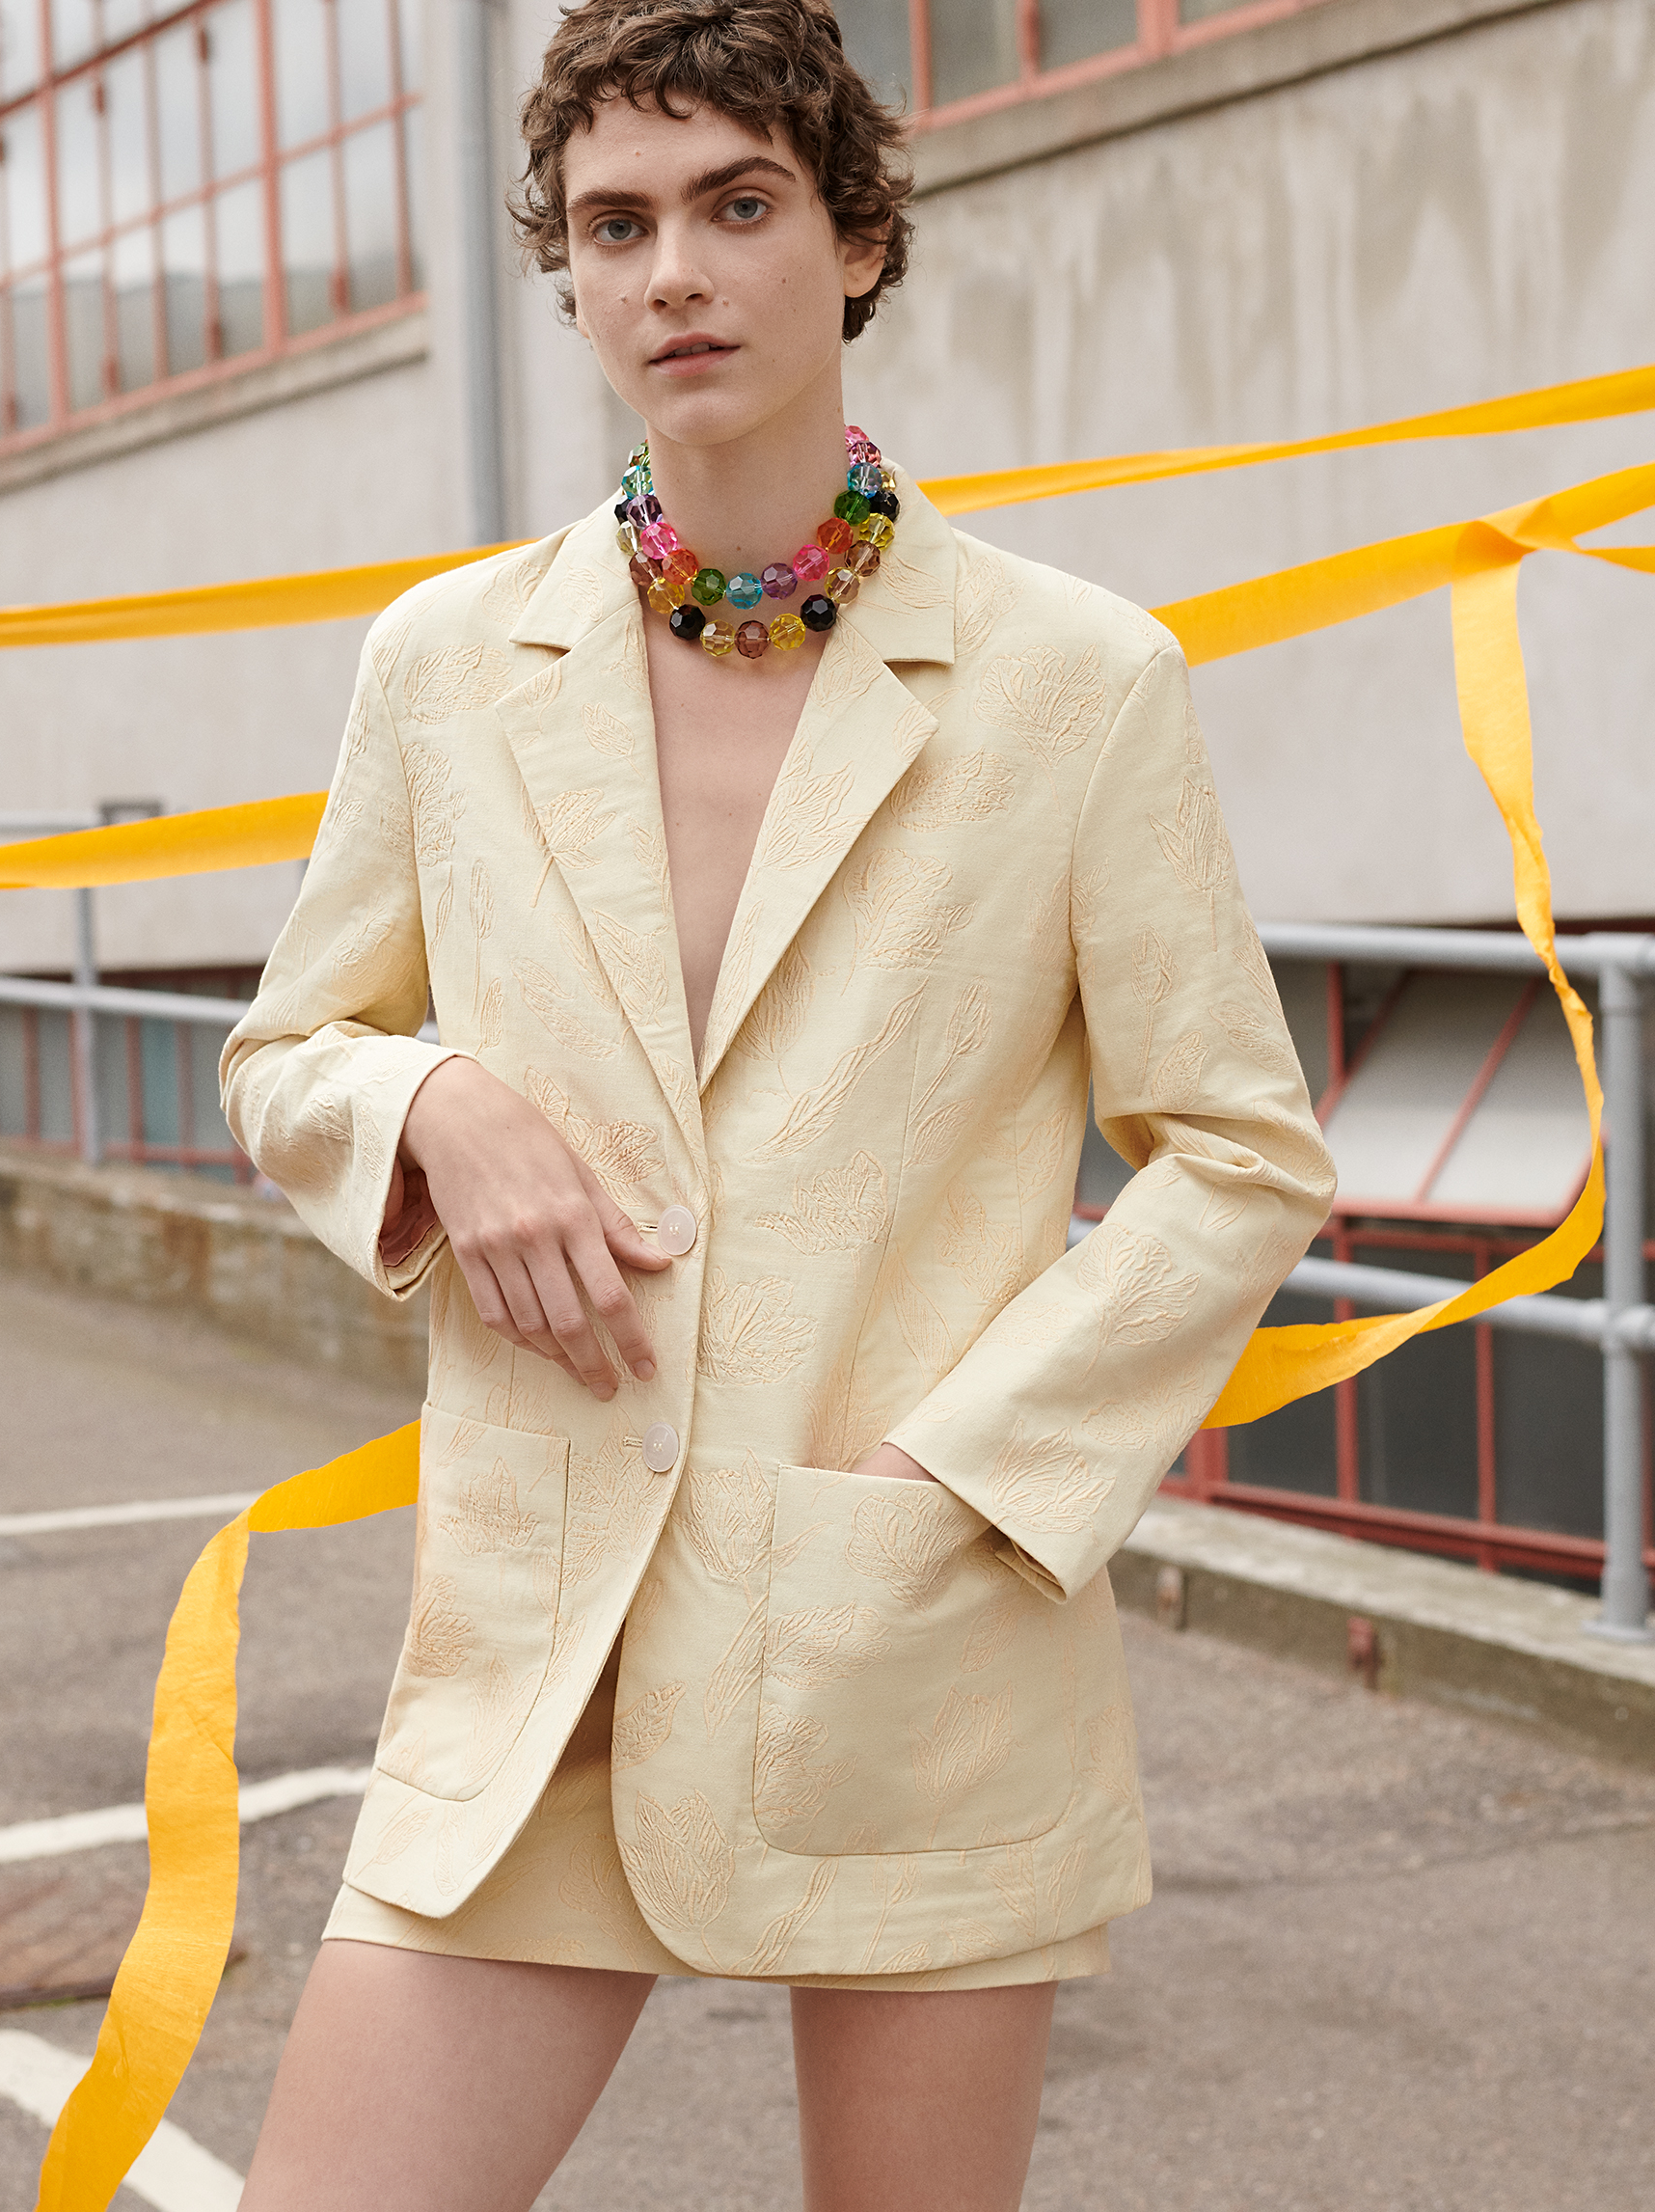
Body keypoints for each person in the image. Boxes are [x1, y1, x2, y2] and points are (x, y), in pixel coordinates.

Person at [221, 3, 1335, 2204]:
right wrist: (431, 1097)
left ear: (857, 240)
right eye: (614, 224)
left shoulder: (1077, 680)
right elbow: (283, 1052)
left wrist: (958, 1471)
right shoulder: (445, 663)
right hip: (541, 1662)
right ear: (566, 272)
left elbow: (1238, 1155)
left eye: (739, 206)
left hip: (904, 1641)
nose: (675, 275)